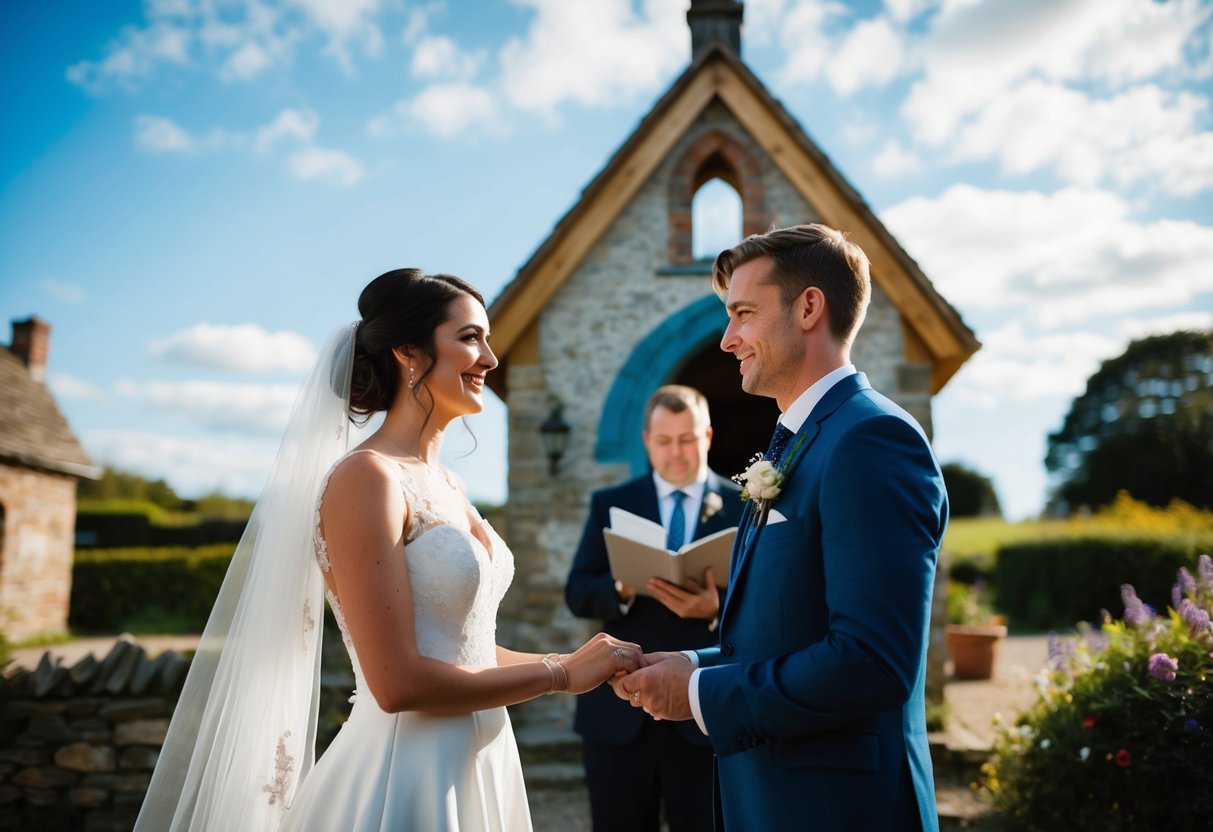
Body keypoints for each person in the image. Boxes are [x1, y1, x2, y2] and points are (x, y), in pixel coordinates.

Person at [135, 269, 643, 832]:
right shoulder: (365, 479)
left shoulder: (448, 484)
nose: (491, 359)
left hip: (481, 758)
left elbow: (461, 650)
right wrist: (559, 675)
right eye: (471, 338)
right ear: (408, 351)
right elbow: (398, 681)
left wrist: (587, 661)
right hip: (406, 768)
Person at [613, 224, 947, 831]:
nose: (727, 339)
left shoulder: (871, 440)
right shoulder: (804, 441)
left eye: (743, 313)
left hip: (838, 808)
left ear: (809, 308)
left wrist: (697, 698)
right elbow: (793, 632)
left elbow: (872, 661)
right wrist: (693, 665)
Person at [566, 385, 743, 831]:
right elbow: (577, 592)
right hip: (619, 713)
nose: (676, 452)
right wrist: (623, 586)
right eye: (664, 441)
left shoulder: (748, 507)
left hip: (705, 711)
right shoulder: (611, 503)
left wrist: (716, 610)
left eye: (687, 439)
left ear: (707, 436)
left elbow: (770, 603)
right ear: (646, 440)